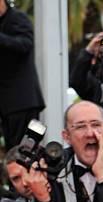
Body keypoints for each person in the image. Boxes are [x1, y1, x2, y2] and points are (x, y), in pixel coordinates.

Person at [0, 0, 45, 150]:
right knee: (12, 151)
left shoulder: (17, 18)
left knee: (24, 151)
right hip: (7, 104)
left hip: (22, 101)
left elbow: (25, 44)